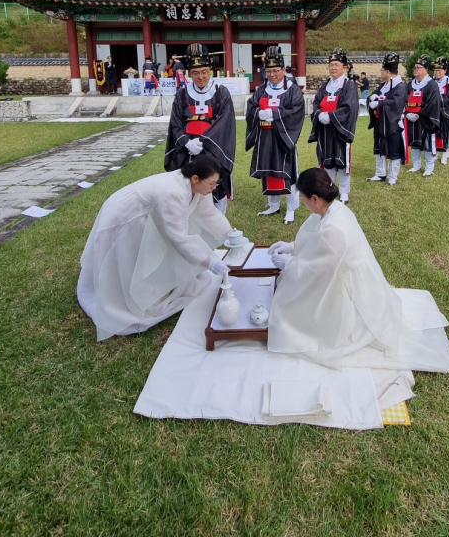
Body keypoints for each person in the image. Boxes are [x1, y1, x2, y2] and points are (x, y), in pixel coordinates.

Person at [266, 168, 449, 373]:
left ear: (315, 198)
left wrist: (288, 263)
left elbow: (317, 269)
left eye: (303, 198)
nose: (303, 203)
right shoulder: (335, 208)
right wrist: (292, 247)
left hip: (351, 288)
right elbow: (316, 244)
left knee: (292, 317)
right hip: (349, 272)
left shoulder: (333, 228)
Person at [77, 153, 232, 341]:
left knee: (150, 254)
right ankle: (120, 300)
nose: (214, 188)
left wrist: (231, 236)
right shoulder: (172, 192)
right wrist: (210, 263)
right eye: (212, 184)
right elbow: (178, 238)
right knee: (126, 258)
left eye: (216, 183)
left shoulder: (200, 187)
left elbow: (208, 214)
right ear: (195, 178)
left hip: (145, 212)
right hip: (124, 216)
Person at [165, 43, 235, 214]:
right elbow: (175, 122)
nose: (201, 77)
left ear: (210, 69)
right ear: (189, 73)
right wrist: (186, 142)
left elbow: (225, 122)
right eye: (195, 73)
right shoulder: (182, 94)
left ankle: (218, 222)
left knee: (215, 186)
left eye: (204, 72)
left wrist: (203, 141)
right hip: (187, 150)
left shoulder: (221, 93)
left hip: (213, 149)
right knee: (189, 186)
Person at [245, 45, 306, 224]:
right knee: (268, 170)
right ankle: (273, 204)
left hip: (283, 137)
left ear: (284, 70)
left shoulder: (292, 90)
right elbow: (251, 107)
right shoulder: (262, 89)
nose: (271, 75)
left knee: (288, 172)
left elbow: (296, 111)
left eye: (275, 71)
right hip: (265, 137)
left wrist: (274, 114)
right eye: (268, 71)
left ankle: (291, 208)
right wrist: (258, 113)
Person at [308, 47, 359, 204]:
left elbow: (349, 107)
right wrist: (318, 114)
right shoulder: (325, 86)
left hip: (340, 130)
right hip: (325, 131)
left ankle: (344, 191)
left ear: (344, 67)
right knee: (328, 160)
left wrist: (331, 117)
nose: (333, 67)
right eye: (331, 64)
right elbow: (316, 103)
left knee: (342, 162)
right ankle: (331, 188)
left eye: (337, 64)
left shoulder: (348, 86)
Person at [367, 52, 407, 185]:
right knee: (379, 149)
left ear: (388, 72)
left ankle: (393, 176)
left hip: (393, 123)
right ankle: (380, 173)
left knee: (394, 149)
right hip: (380, 122)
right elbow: (374, 95)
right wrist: (372, 98)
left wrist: (379, 103)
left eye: (382, 70)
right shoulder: (383, 86)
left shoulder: (400, 87)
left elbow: (396, 102)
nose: (380, 73)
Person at [404, 54, 441, 177]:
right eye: (414, 67)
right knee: (415, 142)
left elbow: (432, 103)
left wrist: (419, 114)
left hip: (425, 119)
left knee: (427, 143)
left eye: (418, 67)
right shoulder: (410, 85)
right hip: (411, 118)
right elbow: (403, 99)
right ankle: (416, 165)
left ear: (426, 70)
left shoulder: (431, 85)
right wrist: (407, 113)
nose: (416, 70)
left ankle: (429, 167)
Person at [433, 57, 449, 165]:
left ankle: (445, 154)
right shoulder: (432, 81)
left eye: (439, 70)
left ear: (445, 71)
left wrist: (439, 100)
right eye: (435, 70)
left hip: (445, 111)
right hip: (434, 111)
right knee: (433, 133)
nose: (437, 72)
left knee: (447, 132)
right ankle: (434, 153)